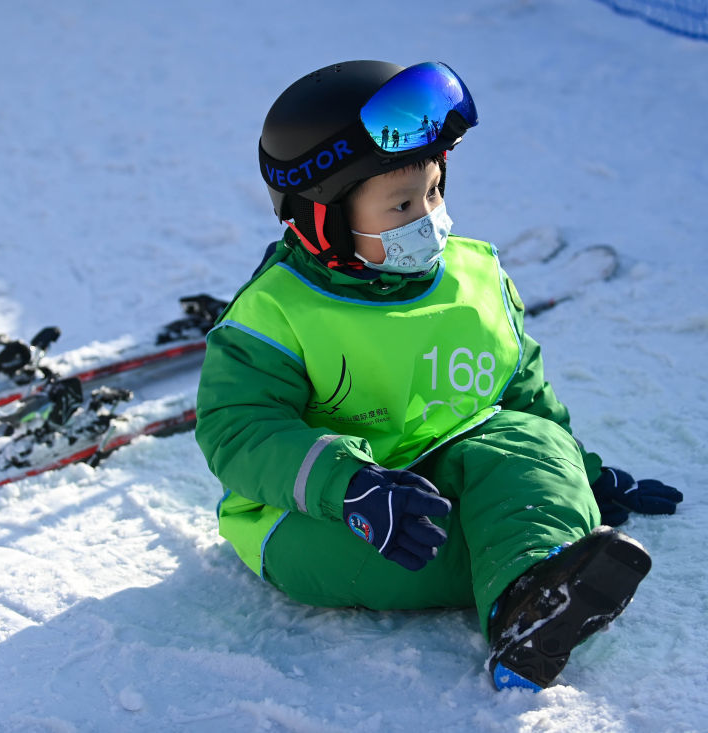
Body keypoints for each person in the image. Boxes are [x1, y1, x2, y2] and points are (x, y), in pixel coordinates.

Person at [194, 60, 683, 691]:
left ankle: (530, 610)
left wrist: (577, 474)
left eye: (433, 192)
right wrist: (352, 487)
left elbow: (522, 391)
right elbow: (239, 430)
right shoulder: (276, 314)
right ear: (323, 218)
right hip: (322, 516)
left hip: (450, 467)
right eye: (399, 204)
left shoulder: (473, 276)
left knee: (530, 454)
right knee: (443, 542)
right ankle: (525, 564)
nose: (426, 218)